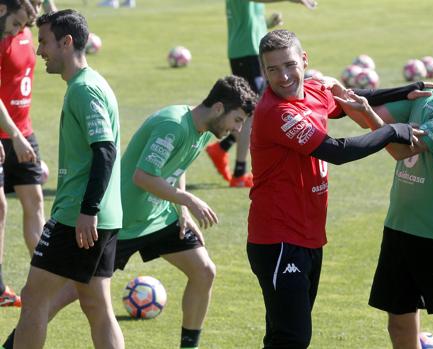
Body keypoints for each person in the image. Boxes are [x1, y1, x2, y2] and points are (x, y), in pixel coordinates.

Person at [2, 76, 258, 349]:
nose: (238, 129)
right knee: (71, 292)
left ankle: (188, 346)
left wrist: (181, 211)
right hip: (122, 222)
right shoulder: (172, 125)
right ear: (219, 108)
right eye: (238, 120)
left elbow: (176, 165)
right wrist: (189, 200)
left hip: (158, 217)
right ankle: (13, 343)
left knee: (204, 270)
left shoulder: (205, 129)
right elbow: (143, 177)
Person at [247, 29, 427, 349]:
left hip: (307, 236)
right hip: (279, 240)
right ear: (264, 72)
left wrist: (406, 90)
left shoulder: (314, 90)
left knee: (283, 337)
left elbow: (348, 99)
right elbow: (337, 151)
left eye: (289, 65)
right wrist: (392, 132)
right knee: (292, 338)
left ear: (304, 60)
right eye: (273, 69)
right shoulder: (277, 113)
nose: (284, 76)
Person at [338, 28, 433, 349]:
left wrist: (368, 113)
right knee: (399, 323)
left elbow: (402, 149)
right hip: (398, 225)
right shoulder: (427, 97)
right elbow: (363, 118)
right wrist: (332, 90)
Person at [12, 9, 124, 349]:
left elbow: (104, 151)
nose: (39, 51)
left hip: (80, 217)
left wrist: (87, 209)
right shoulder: (88, 84)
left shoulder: (84, 89)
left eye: (44, 42)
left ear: (66, 42)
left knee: (33, 298)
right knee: (96, 305)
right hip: (102, 216)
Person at [206, 0, 316, 188]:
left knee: (259, 109)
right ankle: (239, 173)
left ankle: (222, 149)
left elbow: (247, 21)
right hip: (245, 53)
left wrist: (267, 23)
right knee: (252, 112)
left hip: (254, 52)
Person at [0, 0, 46, 308]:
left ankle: (46, 276)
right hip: (7, 136)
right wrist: (13, 136)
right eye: (17, 21)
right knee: (0, 207)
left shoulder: (30, 30)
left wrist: (20, 135)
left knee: (36, 201)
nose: (21, 28)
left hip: (24, 133)